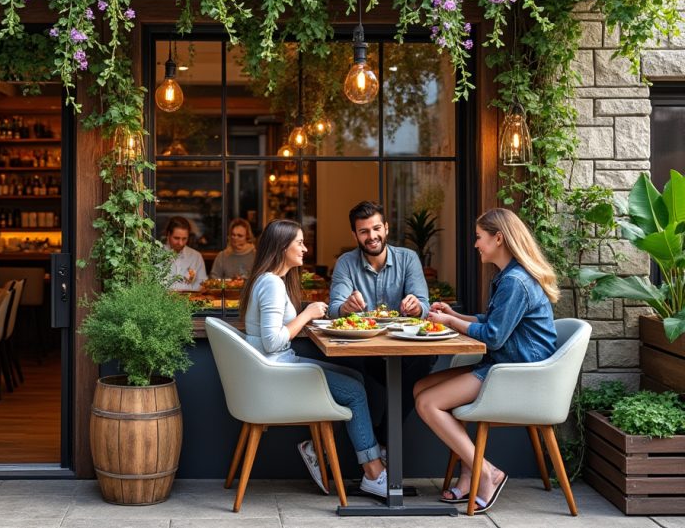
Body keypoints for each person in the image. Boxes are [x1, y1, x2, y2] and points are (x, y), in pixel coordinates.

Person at [414, 208, 560, 513]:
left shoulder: (515, 281)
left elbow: (493, 337)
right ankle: (469, 471)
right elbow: (493, 322)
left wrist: (450, 322)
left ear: (499, 238)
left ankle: (486, 472)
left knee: (427, 403)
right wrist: (455, 315)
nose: (476, 244)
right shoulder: (509, 277)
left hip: (516, 373)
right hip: (504, 364)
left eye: (479, 237)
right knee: (421, 388)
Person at [239, 219, 387, 497]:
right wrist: (307, 314)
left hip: (274, 369)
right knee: (355, 391)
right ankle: (373, 472)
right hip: (275, 374)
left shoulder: (269, 280)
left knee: (354, 377)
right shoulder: (271, 284)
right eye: (299, 243)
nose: (305, 249)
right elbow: (272, 342)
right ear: (282, 247)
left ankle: (318, 450)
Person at [328, 201, 433, 444]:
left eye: (376, 228)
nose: (372, 236)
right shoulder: (346, 263)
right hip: (365, 351)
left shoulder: (408, 258)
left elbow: (424, 306)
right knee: (407, 384)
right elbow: (334, 310)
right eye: (364, 231)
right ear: (355, 235)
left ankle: (380, 441)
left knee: (425, 359)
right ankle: (382, 445)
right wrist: (346, 308)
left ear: (386, 228)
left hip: (403, 348)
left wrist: (416, 307)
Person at [164, 216, 207, 292]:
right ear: (168, 234)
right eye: (176, 238)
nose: (180, 243)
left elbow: (203, 284)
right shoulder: (157, 255)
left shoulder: (196, 257)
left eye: (184, 239)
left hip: (190, 298)